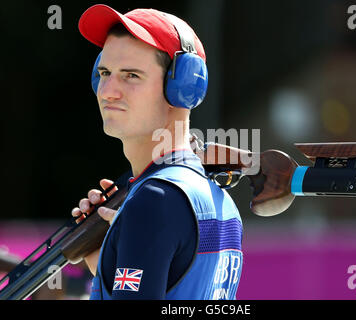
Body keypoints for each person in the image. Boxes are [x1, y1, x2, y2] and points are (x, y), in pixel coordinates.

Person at [71, 4, 243, 300]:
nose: (107, 90)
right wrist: (111, 263)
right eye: (104, 72)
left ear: (184, 86)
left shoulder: (155, 200)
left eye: (131, 75)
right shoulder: (222, 202)